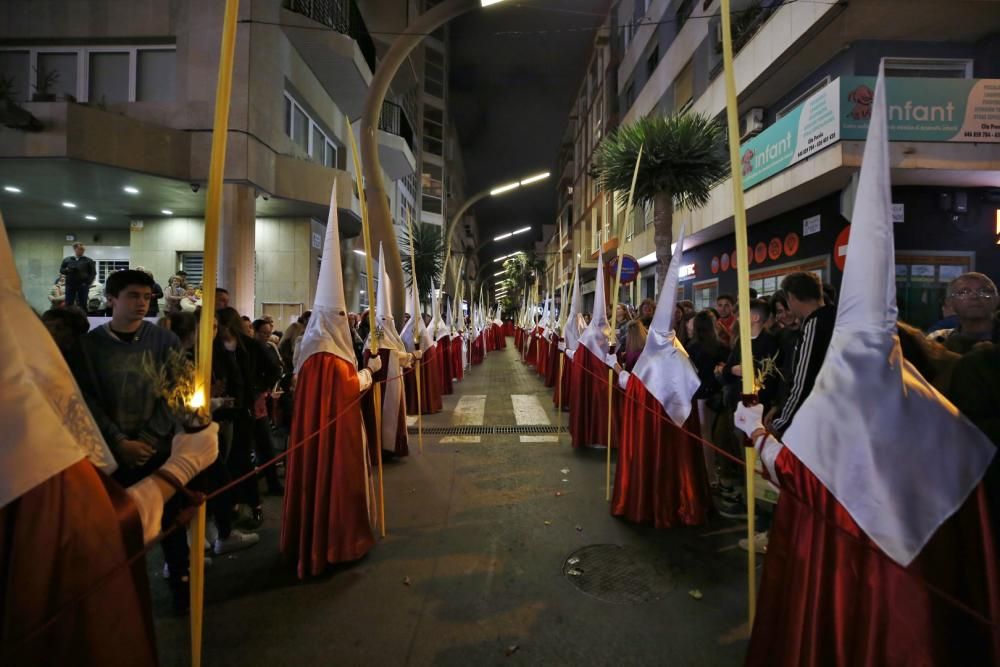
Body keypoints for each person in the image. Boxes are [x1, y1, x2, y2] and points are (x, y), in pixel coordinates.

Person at [75, 269, 195, 610]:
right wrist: (118, 441)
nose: (142, 303)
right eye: (133, 296)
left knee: (171, 523)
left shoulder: (163, 342)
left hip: (156, 450)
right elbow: (85, 399)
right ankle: (118, 593)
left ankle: (180, 585)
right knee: (116, 526)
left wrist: (149, 437)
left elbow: (178, 391)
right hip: (110, 453)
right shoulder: (89, 347)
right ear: (112, 299)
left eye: (146, 297)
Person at [281, 189, 381, 578]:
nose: (345, 320)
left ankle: (315, 540)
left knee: (317, 481)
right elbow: (345, 387)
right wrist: (368, 372)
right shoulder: (327, 355)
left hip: (322, 431)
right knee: (336, 483)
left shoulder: (311, 353)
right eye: (341, 314)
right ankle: (338, 541)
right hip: (336, 434)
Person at [768, 272, 836, 437]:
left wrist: (781, 422)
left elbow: (803, 381)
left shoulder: (814, 325)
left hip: (817, 419)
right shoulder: (836, 316)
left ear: (791, 297)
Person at [685, 310, 729, 488]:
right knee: (712, 436)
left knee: (704, 436)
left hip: (699, 395)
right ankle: (712, 473)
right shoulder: (723, 347)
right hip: (718, 395)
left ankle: (708, 474)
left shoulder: (692, 348)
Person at [928, 272, 999, 354]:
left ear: (997, 299)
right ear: (950, 302)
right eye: (964, 292)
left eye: (984, 291)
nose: (974, 296)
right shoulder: (938, 339)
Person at [60, 242, 96, 310]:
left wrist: (87, 283)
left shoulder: (88, 260)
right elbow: (61, 270)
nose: (82, 251)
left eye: (83, 249)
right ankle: (68, 319)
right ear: (75, 249)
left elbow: (93, 273)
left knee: (83, 304)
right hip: (70, 285)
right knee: (68, 303)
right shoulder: (67, 259)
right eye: (80, 249)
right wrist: (67, 270)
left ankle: (83, 319)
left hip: (83, 285)